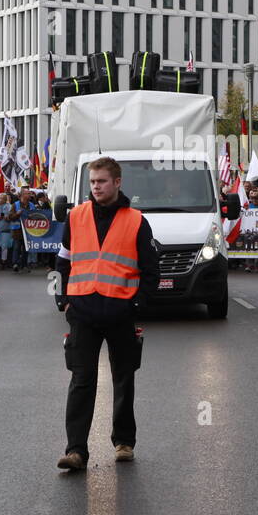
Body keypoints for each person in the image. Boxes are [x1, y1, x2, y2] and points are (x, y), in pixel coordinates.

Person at [55, 157, 158, 471]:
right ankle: (75, 451)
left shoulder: (136, 220)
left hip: (120, 312)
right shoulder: (76, 217)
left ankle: (124, 442)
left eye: (101, 181)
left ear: (117, 182)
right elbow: (63, 261)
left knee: (123, 379)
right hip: (83, 311)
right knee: (81, 380)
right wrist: (64, 300)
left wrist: (137, 305)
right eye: (92, 182)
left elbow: (151, 269)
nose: (96, 187)